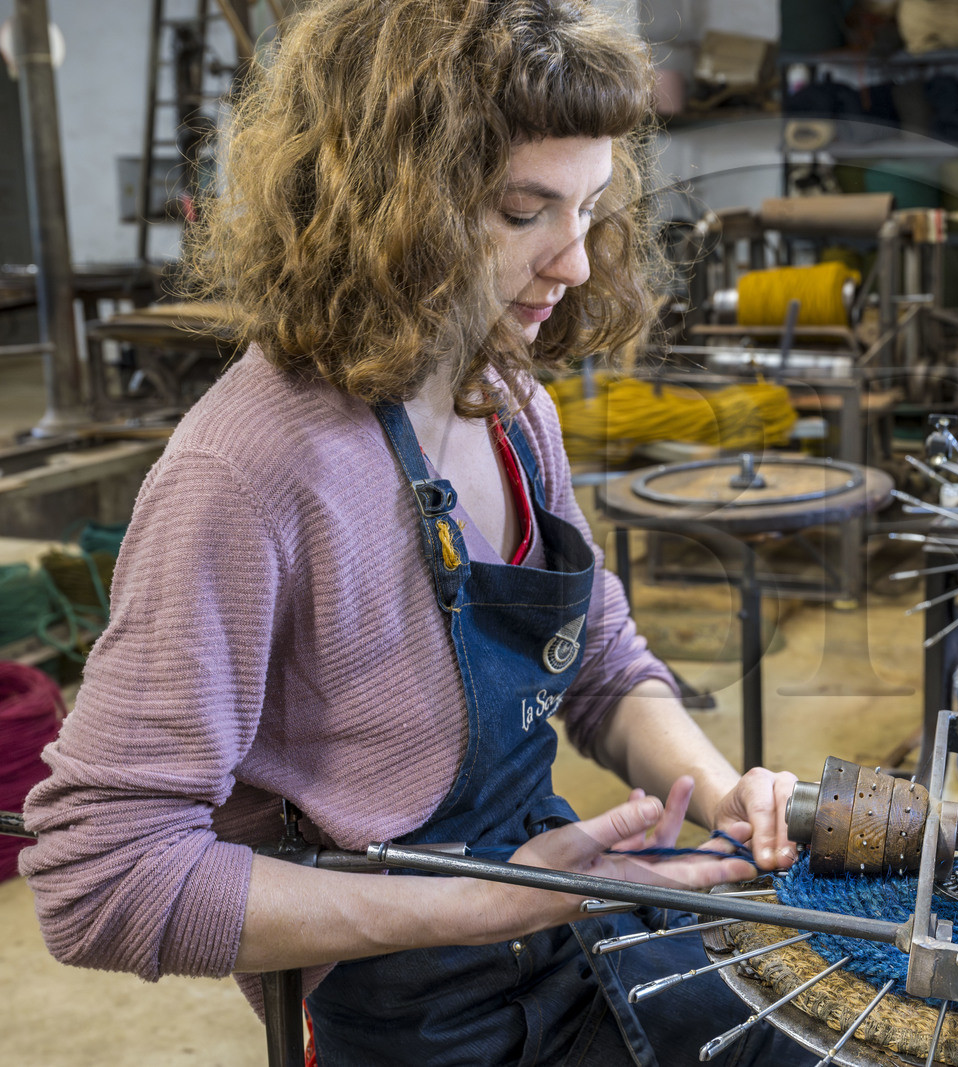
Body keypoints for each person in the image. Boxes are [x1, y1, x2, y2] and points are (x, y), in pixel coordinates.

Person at [21, 2, 811, 1063]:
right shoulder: (246, 471)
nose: (573, 262)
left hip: (561, 932)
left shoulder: (504, 394)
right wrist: (480, 902)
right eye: (524, 210)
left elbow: (597, 662)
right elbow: (101, 876)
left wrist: (727, 798)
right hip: (403, 1012)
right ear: (385, 207)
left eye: (586, 208)